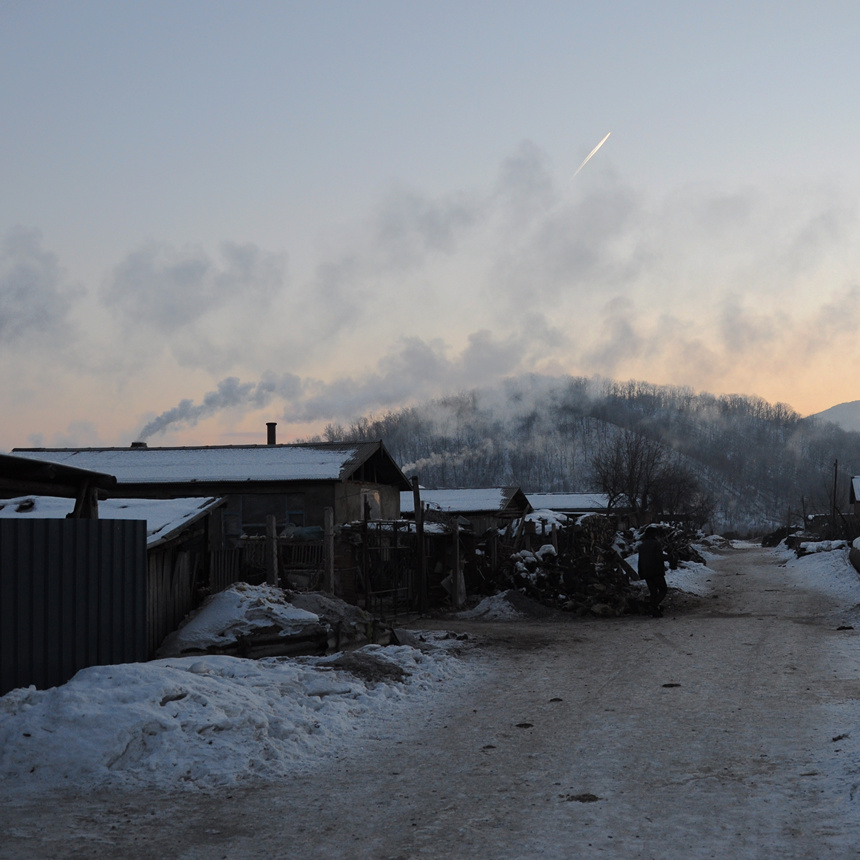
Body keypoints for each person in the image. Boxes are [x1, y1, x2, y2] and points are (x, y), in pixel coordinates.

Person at [638, 526, 668, 617]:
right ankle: (653, 606)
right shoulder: (656, 544)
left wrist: (641, 572)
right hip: (656, 571)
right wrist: (669, 557)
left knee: (653, 591)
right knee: (663, 589)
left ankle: (654, 610)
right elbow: (659, 557)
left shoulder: (642, 545)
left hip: (646, 572)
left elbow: (640, 560)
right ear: (654, 534)